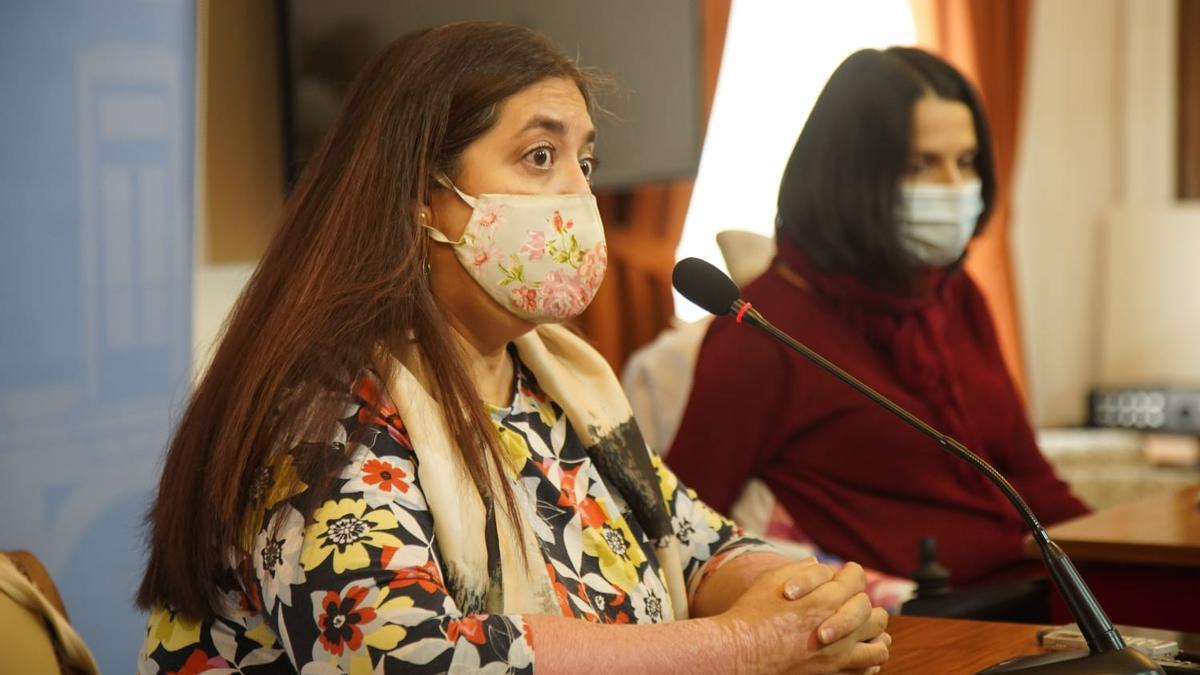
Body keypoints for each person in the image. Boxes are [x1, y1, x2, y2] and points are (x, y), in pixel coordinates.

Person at [135, 23, 890, 674]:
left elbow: (696, 545)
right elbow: (414, 657)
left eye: (583, 162)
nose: (577, 195)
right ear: (421, 198)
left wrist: (811, 608)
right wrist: (738, 648)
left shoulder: (555, 381)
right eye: (538, 157)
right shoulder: (320, 411)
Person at [667, 47, 1090, 592]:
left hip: (1035, 587)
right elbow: (679, 526)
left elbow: (1027, 475)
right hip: (925, 625)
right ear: (849, 176)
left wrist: (1115, 557)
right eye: (920, 165)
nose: (954, 188)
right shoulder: (763, 331)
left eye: (965, 163)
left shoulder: (957, 296)